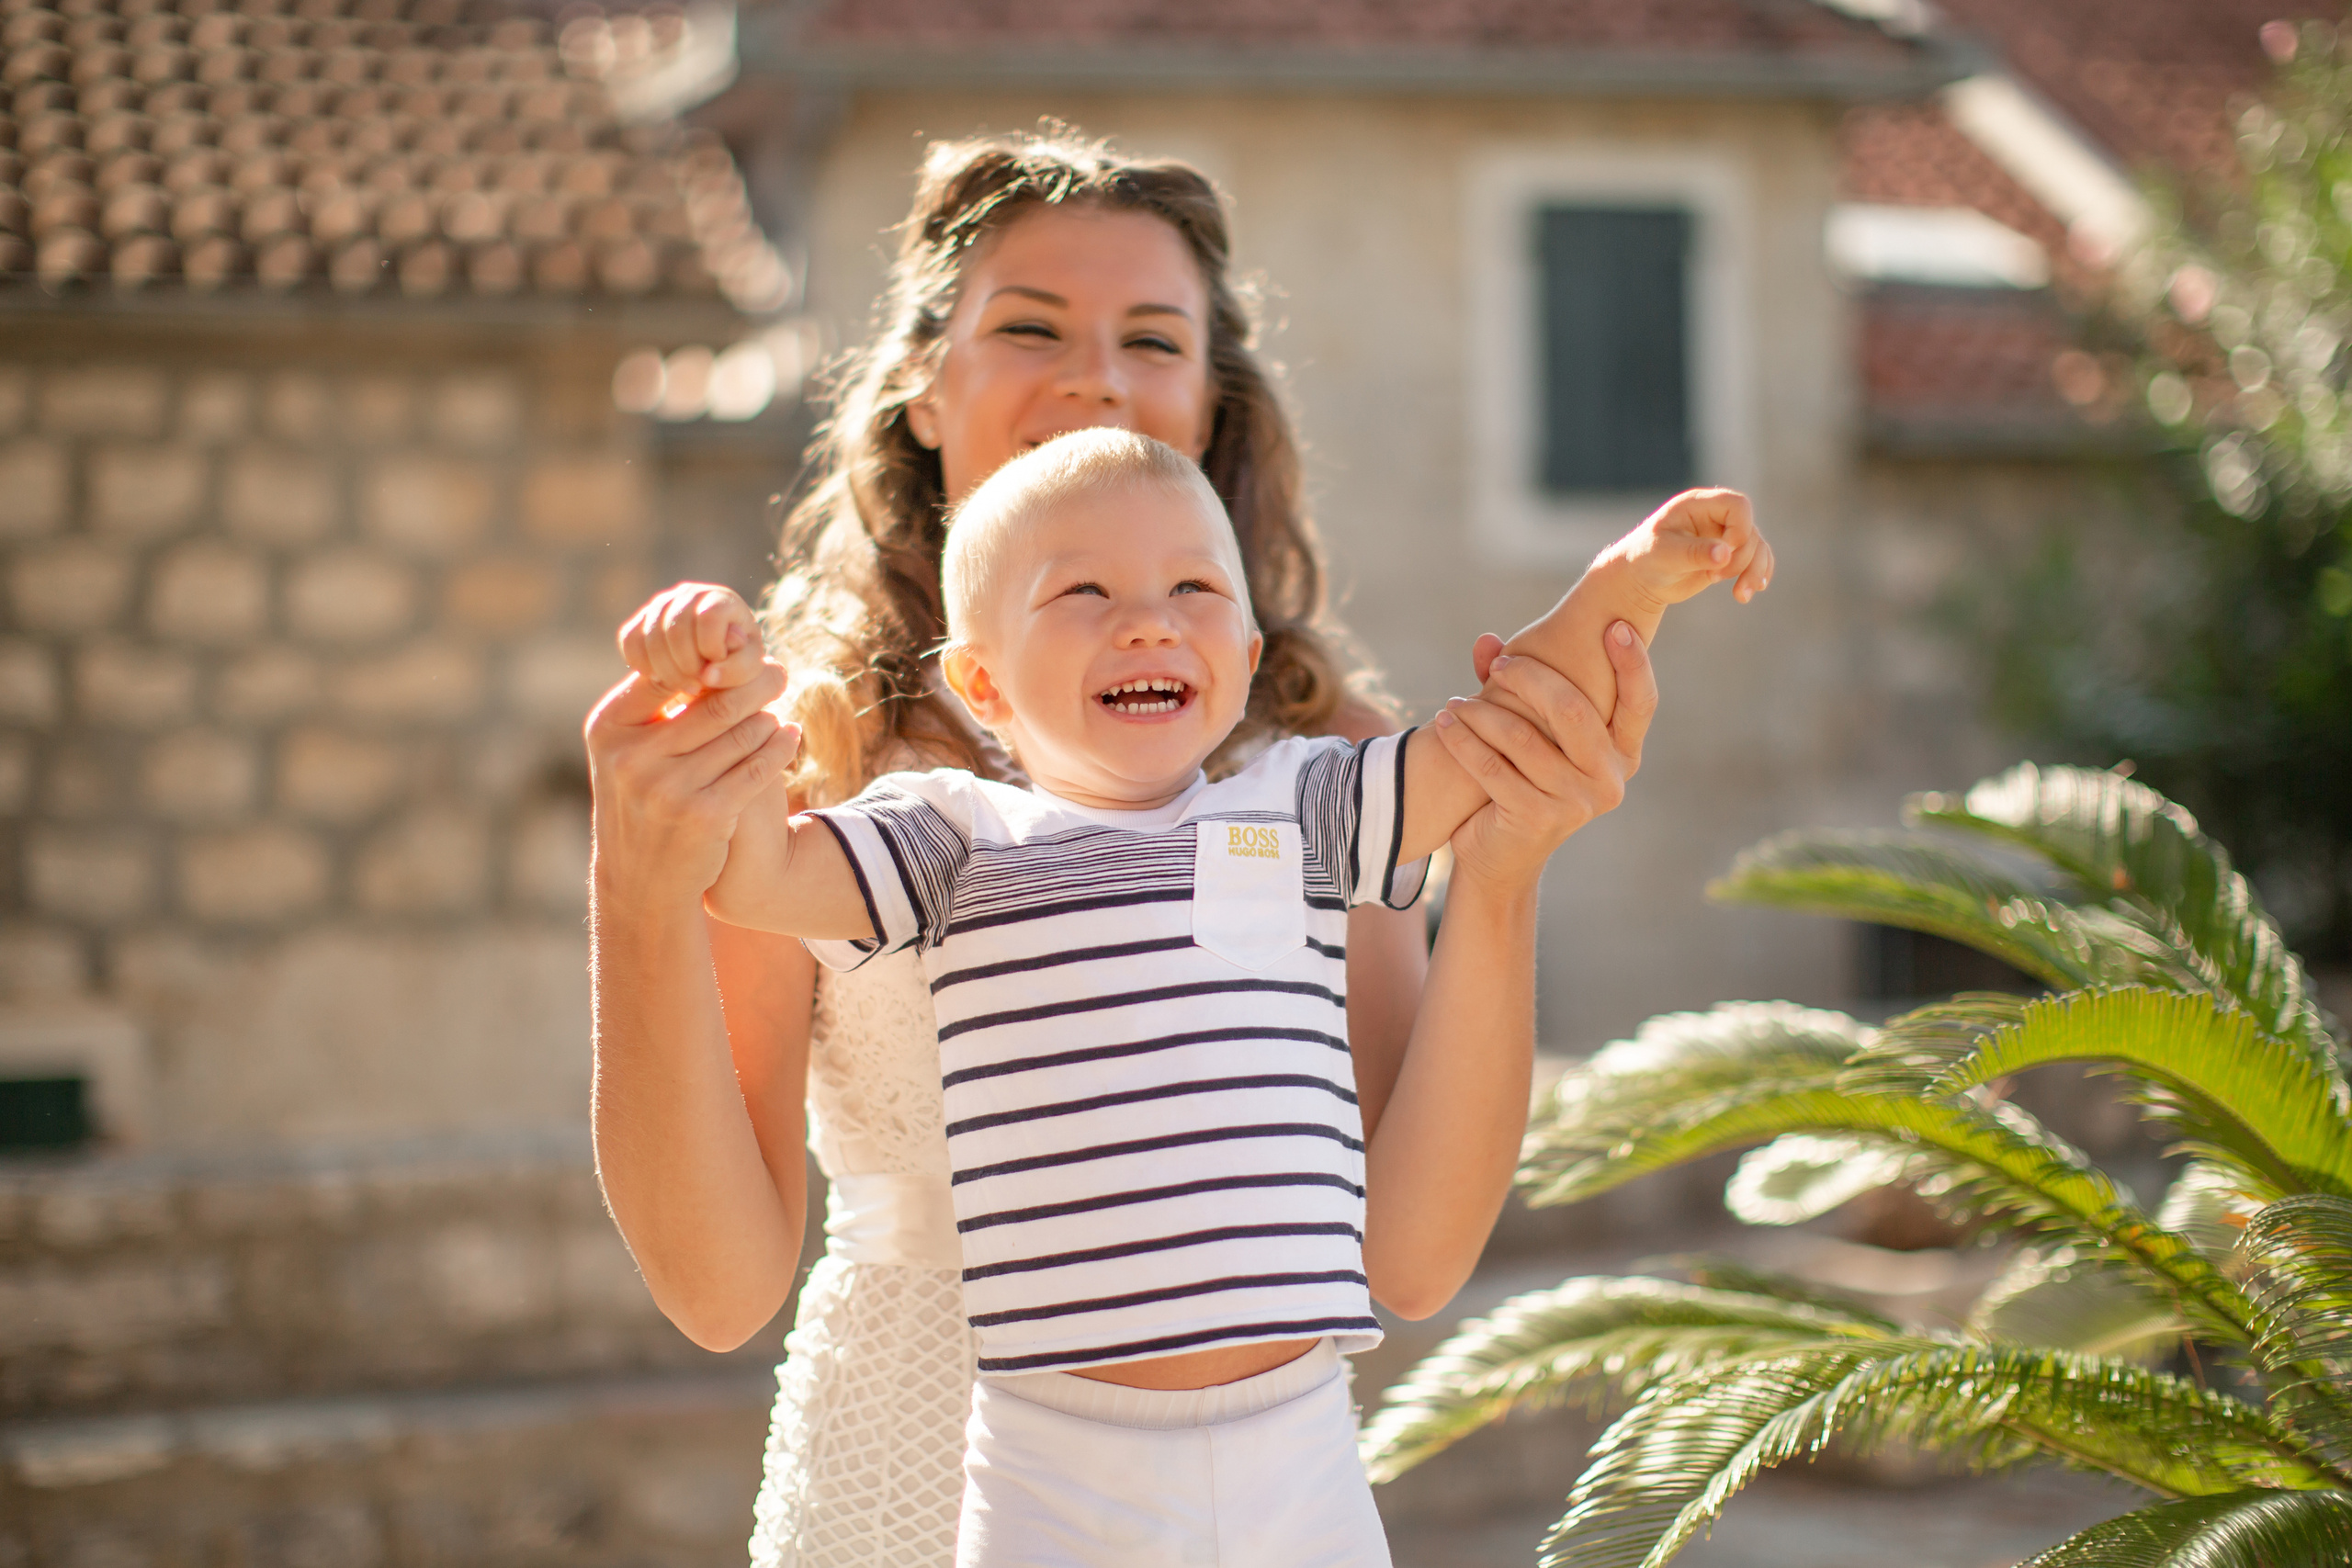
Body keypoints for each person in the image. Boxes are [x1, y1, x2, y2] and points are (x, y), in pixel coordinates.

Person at [583, 130, 1679, 1567]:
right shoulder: (795, 757)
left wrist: (1508, 870)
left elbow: (1412, 1258)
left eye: (1151, 338)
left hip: (1246, 1488)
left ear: (1211, 400)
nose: (1096, 374)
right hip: (896, 1480)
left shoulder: (1321, 754)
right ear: (921, 380)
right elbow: (720, 1288)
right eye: (1029, 326)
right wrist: (639, 882)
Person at [666, 427, 1764, 1566]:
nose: (1148, 619)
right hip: (1055, 1464)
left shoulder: (1302, 807)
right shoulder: (952, 840)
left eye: (1192, 586)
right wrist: (714, 714)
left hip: (1297, 1446)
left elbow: (1504, 734)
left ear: (1243, 654)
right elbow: (757, 878)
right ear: (982, 679)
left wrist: (1625, 580)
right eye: (1082, 590)